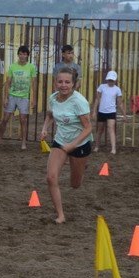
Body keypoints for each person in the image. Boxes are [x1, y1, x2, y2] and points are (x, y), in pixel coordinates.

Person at [39, 68, 93, 224]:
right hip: (60, 142)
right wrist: (44, 129)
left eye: (67, 82)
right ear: (55, 82)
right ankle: (60, 215)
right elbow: (50, 115)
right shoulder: (53, 98)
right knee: (51, 177)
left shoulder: (79, 101)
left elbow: (88, 128)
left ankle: (82, 167)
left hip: (80, 144)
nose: (63, 85)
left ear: (74, 84)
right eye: (60, 81)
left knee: (75, 184)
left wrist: (73, 144)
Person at [0, 45, 38, 149]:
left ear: (27, 55)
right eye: (21, 54)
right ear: (18, 55)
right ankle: (0, 139)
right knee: (5, 119)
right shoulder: (13, 66)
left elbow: (34, 84)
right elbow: (8, 83)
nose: (22, 56)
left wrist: (34, 99)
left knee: (23, 119)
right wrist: (5, 97)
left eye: (25, 54)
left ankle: (23, 142)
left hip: (24, 97)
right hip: (12, 96)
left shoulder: (31, 67)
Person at [91, 70, 125, 154]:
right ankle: (97, 146)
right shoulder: (102, 87)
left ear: (115, 80)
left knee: (111, 129)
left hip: (111, 112)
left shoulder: (117, 89)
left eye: (112, 80)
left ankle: (113, 148)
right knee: (99, 130)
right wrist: (94, 111)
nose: (111, 81)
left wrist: (124, 114)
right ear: (107, 79)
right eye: (109, 80)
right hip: (101, 112)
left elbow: (120, 103)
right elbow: (97, 99)